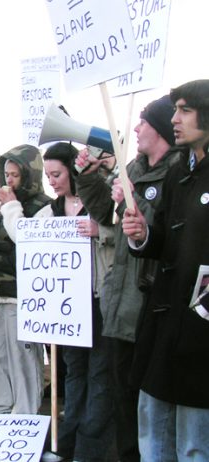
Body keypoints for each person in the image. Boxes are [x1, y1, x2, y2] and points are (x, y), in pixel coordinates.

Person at [75, 95, 178, 462]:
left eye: (143, 122)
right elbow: (108, 216)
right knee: (124, 401)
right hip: (121, 305)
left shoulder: (177, 173)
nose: (135, 128)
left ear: (161, 128)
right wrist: (89, 180)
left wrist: (134, 206)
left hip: (150, 305)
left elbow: (160, 233)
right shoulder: (132, 169)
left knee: (149, 406)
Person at [122, 80, 209, 461]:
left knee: (194, 437)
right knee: (152, 424)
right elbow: (167, 247)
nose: (175, 119)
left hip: (201, 329)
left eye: (185, 110)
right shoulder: (178, 173)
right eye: (175, 109)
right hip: (163, 321)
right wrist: (143, 234)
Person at [37, 143, 114, 462]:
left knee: (98, 377)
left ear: (73, 170)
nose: (52, 181)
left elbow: (124, 234)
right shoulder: (48, 212)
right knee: (73, 375)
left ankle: (88, 449)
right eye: (47, 175)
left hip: (97, 304)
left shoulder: (101, 201)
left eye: (56, 174)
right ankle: (65, 441)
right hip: (66, 309)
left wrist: (103, 231)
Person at [0, 144, 51, 414]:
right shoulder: (8, 207)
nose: (8, 180)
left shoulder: (42, 207)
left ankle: (25, 419)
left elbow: (26, 240)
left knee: (23, 363)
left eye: (14, 175)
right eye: (6, 174)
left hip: (23, 298)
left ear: (29, 175)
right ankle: (2, 415)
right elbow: (4, 244)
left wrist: (11, 206)